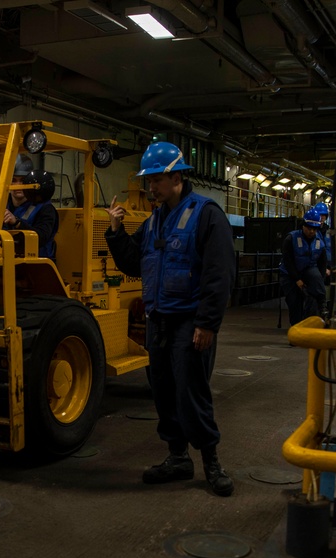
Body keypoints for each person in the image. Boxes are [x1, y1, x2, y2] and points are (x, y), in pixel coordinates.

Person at [104, 141, 236, 496]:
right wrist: (116, 233)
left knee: (191, 392)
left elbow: (219, 274)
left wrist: (207, 323)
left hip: (190, 323)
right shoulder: (153, 222)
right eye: (148, 181)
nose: (150, 188)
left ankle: (211, 461)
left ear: (177, 176)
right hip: (158, 322)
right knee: (163, 391)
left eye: (156, 180)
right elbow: (134, 264)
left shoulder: (207, 215)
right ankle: (177, 458)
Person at [279, 210, 329, 326]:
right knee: (294, 302)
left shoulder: (319, 241)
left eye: (314, 229)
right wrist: (297, 280)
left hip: (307, 269)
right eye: (309, 228)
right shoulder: (291, 239)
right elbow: (288, 261)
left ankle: (322, 309)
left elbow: (322, 263)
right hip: (289, 274)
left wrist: (320, 281)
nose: (311, 231)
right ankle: (296, 328)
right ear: (303, 226)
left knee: (314, 293)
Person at [3, 169, 59, 261]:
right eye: (13, 180)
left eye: (23, 180)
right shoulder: (2, 206)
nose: (18, 185)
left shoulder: (45, 209)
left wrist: (17, 223)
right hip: (8, 259)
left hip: (37, 264)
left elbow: (41, 237)